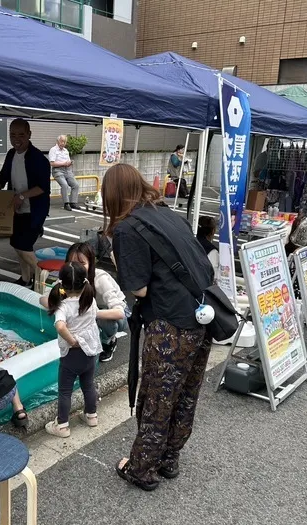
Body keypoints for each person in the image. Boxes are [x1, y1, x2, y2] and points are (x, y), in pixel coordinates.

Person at [103, 164, 214, 491]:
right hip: (200, 317)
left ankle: (142, 470)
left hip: (170, 329)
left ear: (112, 196)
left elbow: (139, 290)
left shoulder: (127, 229)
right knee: (185, 394)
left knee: (157, 398)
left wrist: (115, 254)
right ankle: (169, 459)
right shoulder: (165, 213)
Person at [44, 262, 111, 438]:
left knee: (65, 390)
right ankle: (91, 416)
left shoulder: (63, 306)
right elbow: (95, 316)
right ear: (84, 283)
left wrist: (72, 340)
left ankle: (63, 425)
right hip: (90, 353)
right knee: (88, 385)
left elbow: (59, 326)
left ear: (62, 285)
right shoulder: (90, 300)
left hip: (72, 356)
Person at [0, 119, 51, 288]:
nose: (16, 139)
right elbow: (2, 178)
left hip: (34, 211)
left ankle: (42, 277)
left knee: (23, 245)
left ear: (29, 135)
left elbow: (43, 187)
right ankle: (25, 278)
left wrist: (23, 196)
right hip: (16, 210)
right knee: (16, 244)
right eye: (12, 135)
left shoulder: (39, 158)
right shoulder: (11, 154)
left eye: (21, 135)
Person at [48, 135, 80, 212]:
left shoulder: (66, 151)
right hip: (57, 170)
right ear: (58, 141)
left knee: (75, 185)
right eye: (62, 141)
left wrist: (70, 163)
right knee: (64, 185)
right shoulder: (53, 150)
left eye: (65, 142)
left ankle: (73, 202)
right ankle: (66, 203)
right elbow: (52, 163)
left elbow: (67, 162)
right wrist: (64, 164)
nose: (63, 143)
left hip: (67, 170)